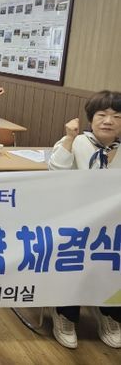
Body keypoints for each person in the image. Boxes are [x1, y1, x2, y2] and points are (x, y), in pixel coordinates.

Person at [48, 90, 121, 350]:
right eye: (102, 115)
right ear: (91, 118)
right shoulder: (77, 142)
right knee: (73, 261)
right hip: (74, 221)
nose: (109, 121)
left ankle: (110, 313)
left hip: (113, 226)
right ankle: (65, 315)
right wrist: (69, 138)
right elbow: (55, 171)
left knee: (115, 264)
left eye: (117, 116)